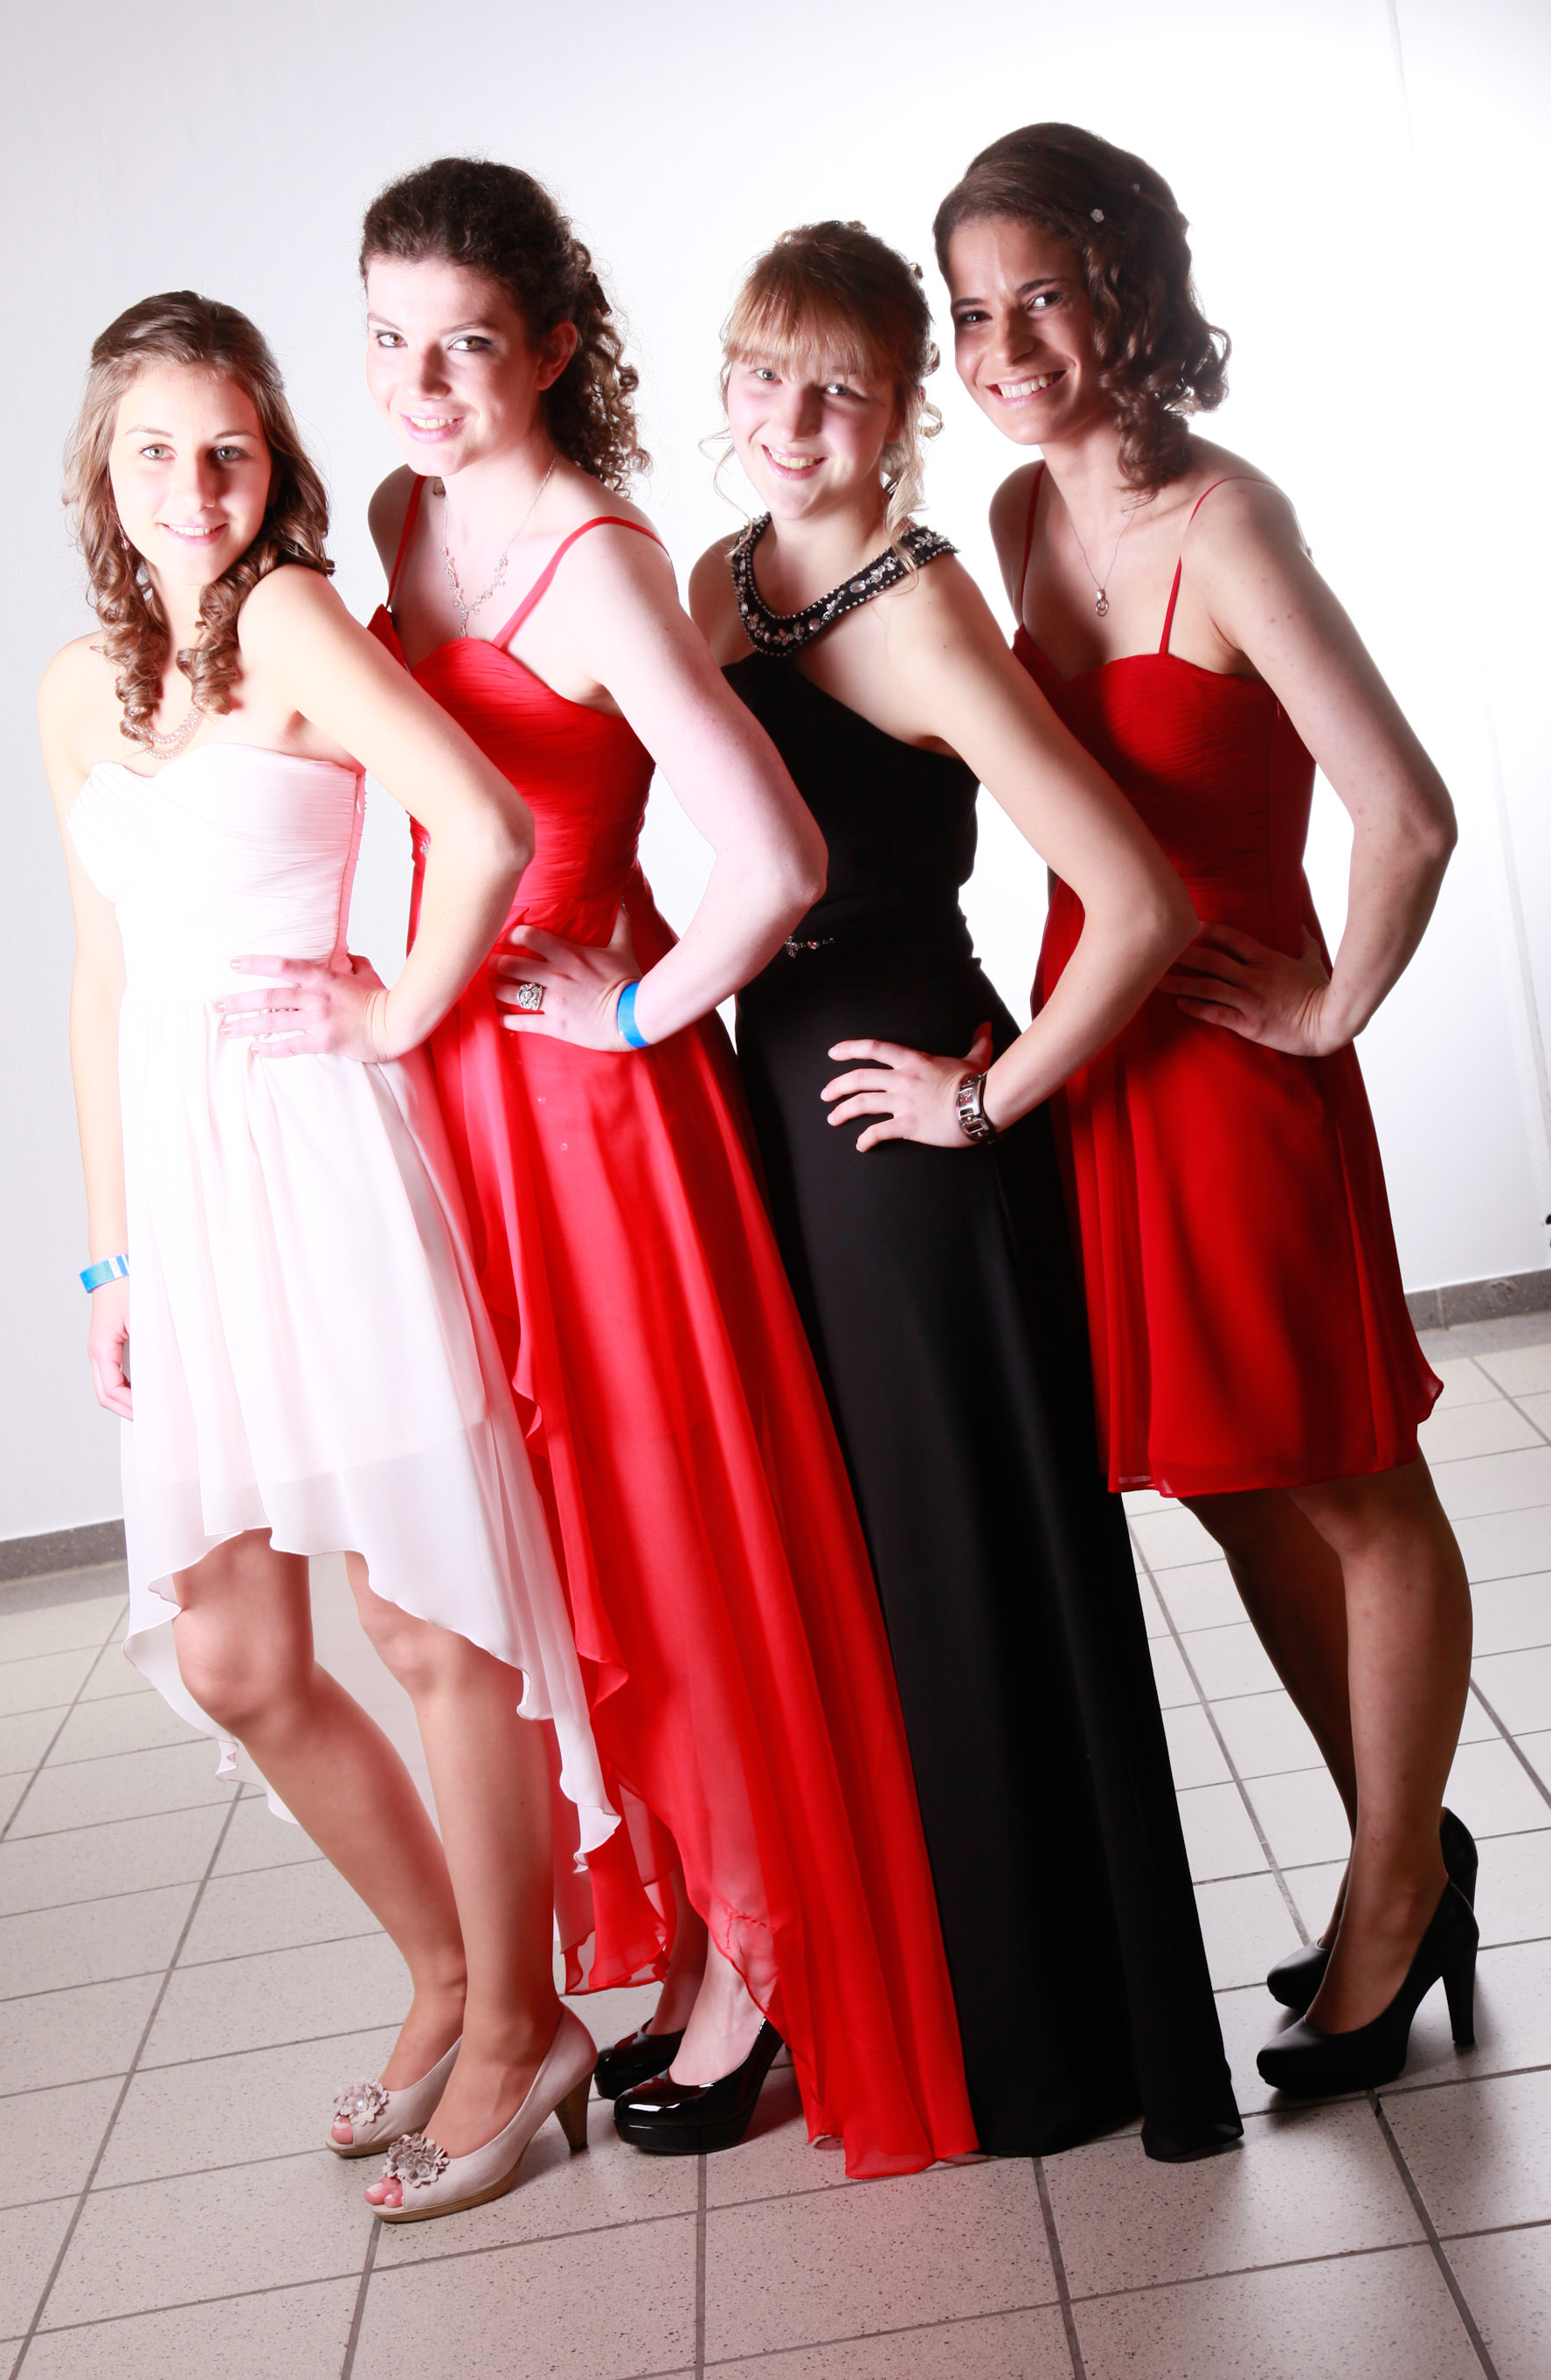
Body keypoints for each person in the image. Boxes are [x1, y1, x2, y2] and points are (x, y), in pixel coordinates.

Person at [320, 156, 976, 2181]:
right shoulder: (400, 514)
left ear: (552, 349)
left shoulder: (594, 561)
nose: (422, 386)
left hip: (593, 1129)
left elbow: (773, 860)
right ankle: (682, 1928)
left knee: (667, 1542)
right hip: (459, 1094)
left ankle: (761, 1964)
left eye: (466, 346)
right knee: (560, 1544)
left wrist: (627, 1017)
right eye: (389, 341)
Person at [41, 292, 620, 2227]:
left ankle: (520, 2024)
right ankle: (449, 1976)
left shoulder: (290, 618)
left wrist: (395, 1012)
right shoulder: (75, 689)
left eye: (228, 449)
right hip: (182, 1198)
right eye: (155, 451)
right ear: (102, 470)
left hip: (313, 1152)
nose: (194, 486)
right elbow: (103, 979)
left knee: (423, 1620)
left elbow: (483, 820)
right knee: (233, 1650)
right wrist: (111, 1265)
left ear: (271, 461)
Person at [934, 123, 1478, 2094]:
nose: (1002, 347)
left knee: (1350, 1481)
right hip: (1104, 1059)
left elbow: (1405, 814)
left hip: (1237, 1077)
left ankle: (1395, 1895)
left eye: (1041, 299)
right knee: (1227, 1483)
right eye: (969, 312)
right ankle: (1397, 1852)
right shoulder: (1013, 515)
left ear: (1129, 296)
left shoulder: (1226, 524)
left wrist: (1325, 1013)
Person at [690, 219, 1240, 2161]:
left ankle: (1048, 2042)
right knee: (847, 1571)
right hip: (773, 1105)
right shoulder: (716, 579)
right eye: (764, 374)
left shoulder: (923, 613)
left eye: (840, 388)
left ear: (903, 410)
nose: (793, 420)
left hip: (902, 1137)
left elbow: (1142, 902)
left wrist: (983, 1103)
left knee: (957, 1573)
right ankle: (898, 1996)